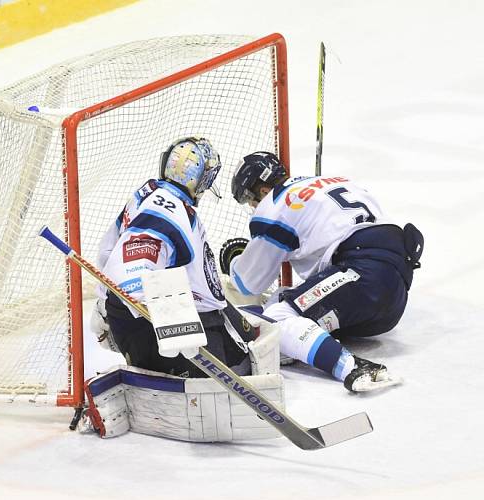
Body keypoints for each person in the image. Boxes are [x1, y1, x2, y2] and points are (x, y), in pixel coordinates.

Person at [222, 151, 422, 392]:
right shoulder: (336, 182)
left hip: (363, 276)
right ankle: (302, 344)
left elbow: (248, 284)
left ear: (262, 190)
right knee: (282, 296)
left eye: (250, 199)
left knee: (274, 321)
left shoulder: (273, 205)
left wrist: (233, 261)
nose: (254, 206)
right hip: (393, 296)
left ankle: (352, 367)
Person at [90, 137, 250, 378]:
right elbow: (131, 267)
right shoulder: (166, 210)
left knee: (250, 339)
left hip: (190, 311)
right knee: (240, 371)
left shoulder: (150, 191)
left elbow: (108, 251)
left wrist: (103, 301)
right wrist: (176, 326)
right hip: (164, 326)